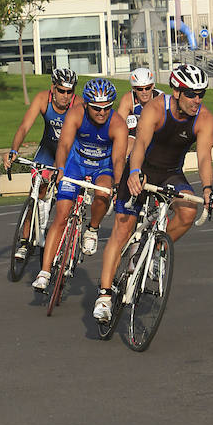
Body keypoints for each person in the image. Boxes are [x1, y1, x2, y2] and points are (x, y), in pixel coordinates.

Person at [94, 64, 213, 322]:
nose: (197, 100)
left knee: (187, 212)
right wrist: (135, 172)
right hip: (142, 169)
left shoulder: (204, 118)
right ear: (176, 92)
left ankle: (156, 251)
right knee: (123, 227)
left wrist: (207, 188)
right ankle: (104, 296)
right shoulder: (155, 109)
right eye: (191, 93)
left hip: (171, 172)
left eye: (201, 94)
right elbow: (139, 144)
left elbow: (205, 156)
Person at [32, 79, 128, 292]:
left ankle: (92, 228)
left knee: (103, 193)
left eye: (107, 107)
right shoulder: (75, 113)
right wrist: (60, 169)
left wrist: (119, 184)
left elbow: (119, 159)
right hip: (76, 164)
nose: (102, 113)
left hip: (102, 167)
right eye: (96, 108)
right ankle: (45, 272)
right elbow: (64, 144)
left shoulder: (118, 124)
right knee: (61, 215)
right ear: (86, 104)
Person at [5, 67, 79, 260]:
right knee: (36, 193)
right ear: (53, 88)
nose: (65, 96)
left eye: (69, 92)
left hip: (69, 153)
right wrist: (14, 150)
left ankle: (61, 237)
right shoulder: (42, 99)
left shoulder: (78, 104)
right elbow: (24, 127)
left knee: (64, 199)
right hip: (47, 149)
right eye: (61, 90)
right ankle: (25, 239)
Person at [117, 67, 162, 155]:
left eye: (147, 88)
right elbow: (119, 124)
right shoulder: (128, 99)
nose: (144, 92)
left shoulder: (160, 99)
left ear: (152, 86)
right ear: (134, 89)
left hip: (157, 128)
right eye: (140, 89)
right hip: (137, 128)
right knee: (128, 146)